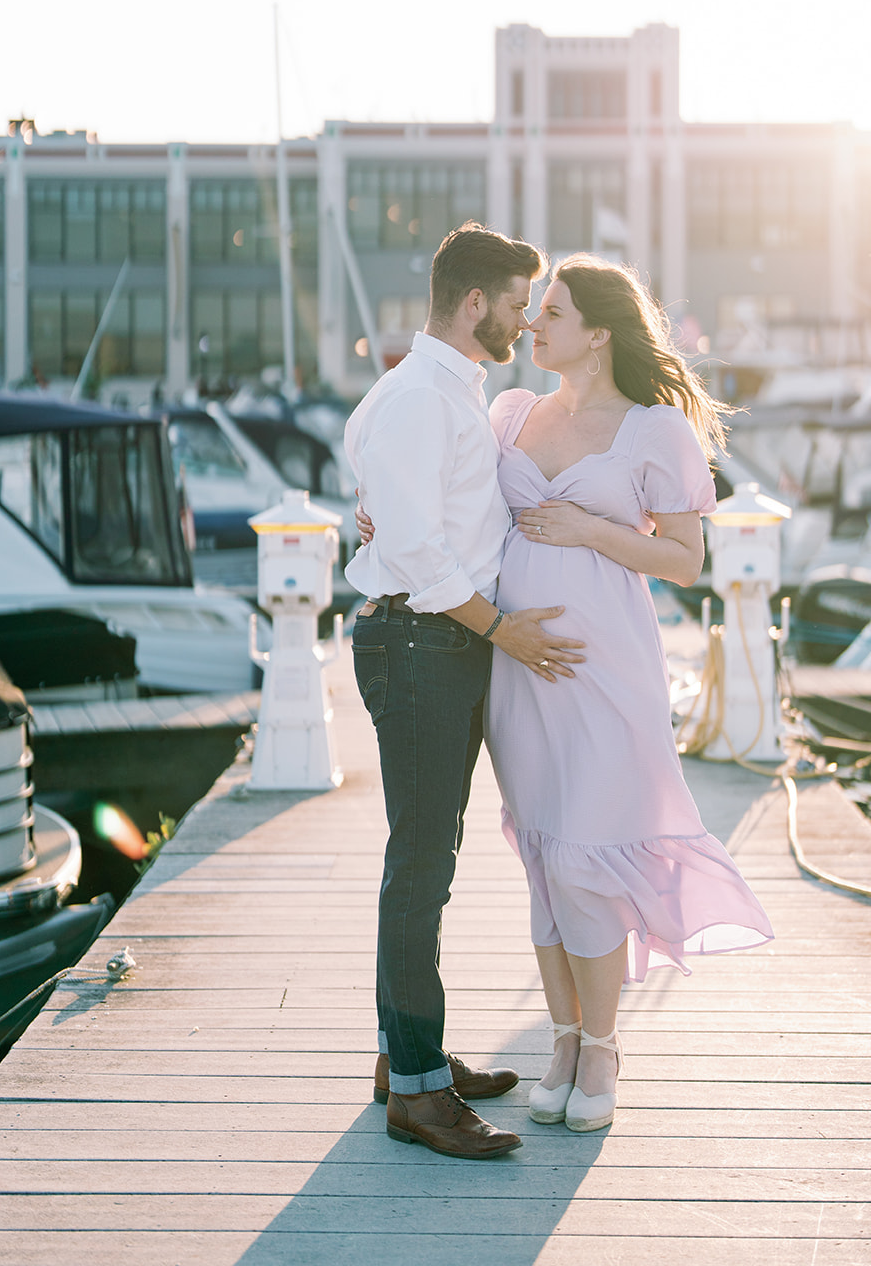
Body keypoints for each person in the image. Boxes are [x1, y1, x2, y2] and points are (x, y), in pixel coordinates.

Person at [484, 254, 774, 1134]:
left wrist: (589, 529)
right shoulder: (511, 413)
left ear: (600, 332)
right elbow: (467, 514)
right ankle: (564, 1040)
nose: (532, 323)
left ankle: (602, 1047)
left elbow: (684, 560)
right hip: (516, 669)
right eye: (534, 310)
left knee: (588, 855)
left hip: (605, 671)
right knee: (544, 856)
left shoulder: (654, 430)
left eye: (551, 312)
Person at [343, 223, 585, 1162]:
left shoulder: (436, 389)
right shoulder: (420, 395)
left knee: (427, 861)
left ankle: (405, 1057)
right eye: (519, 304)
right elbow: (412, 546)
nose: (525, 321)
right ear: (475, 301)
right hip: (422, 643)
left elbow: (378, 475)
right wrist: (500, 629)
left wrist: (375, 511)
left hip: (435, 642)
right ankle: (417, 1093)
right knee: (419, 869)